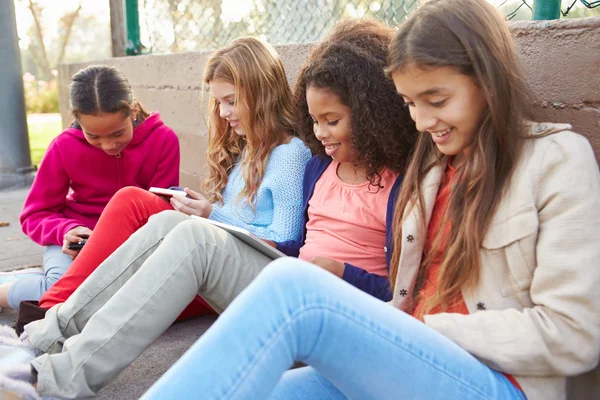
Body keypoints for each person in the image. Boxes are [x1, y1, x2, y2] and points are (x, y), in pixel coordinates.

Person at [140, 1, 600, 399]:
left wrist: (422, 330)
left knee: (292, 288)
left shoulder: (557, 161)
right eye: (410, 103)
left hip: (497, 383)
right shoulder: (429, 168)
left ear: (488, 79)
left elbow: (575, 334)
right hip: (408, 362)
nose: (422, 121)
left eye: (436, 100)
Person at [16, 20, 417, 399]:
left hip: (339, 312)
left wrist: (339, 271)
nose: (319, 133)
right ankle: (44, 337)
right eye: (314, 121)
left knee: (192, 235)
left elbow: (405, 294)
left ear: (371, 114)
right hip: (289, 286)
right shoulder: (321, 166)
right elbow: (298, 247)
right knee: (170, 221)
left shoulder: (403, 186)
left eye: (331, 120)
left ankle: (58, 380)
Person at [13, 36, 312, 332]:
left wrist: (210, 215)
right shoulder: (246, 148)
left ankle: (45, 312)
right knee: (106, 294)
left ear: (263, 94)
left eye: (231, 101)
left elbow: (285, 245)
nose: (222, 113)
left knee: (132, 201)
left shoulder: (289, 154)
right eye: (219, 102)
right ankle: (49, 322)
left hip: (243, 275)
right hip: (208, 261)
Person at [0, 65, 180, 311]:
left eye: (117, 133)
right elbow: (35, 214)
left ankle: (28, 280)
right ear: (77, 120)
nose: (108, 145)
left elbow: (160, 210)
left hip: (132, 245)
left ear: (133, 110)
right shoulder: (64, 147)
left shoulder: (163, 140)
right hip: (74, 244)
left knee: (120, 295)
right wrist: (67, 230)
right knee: (61, 293)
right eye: (93, 136)